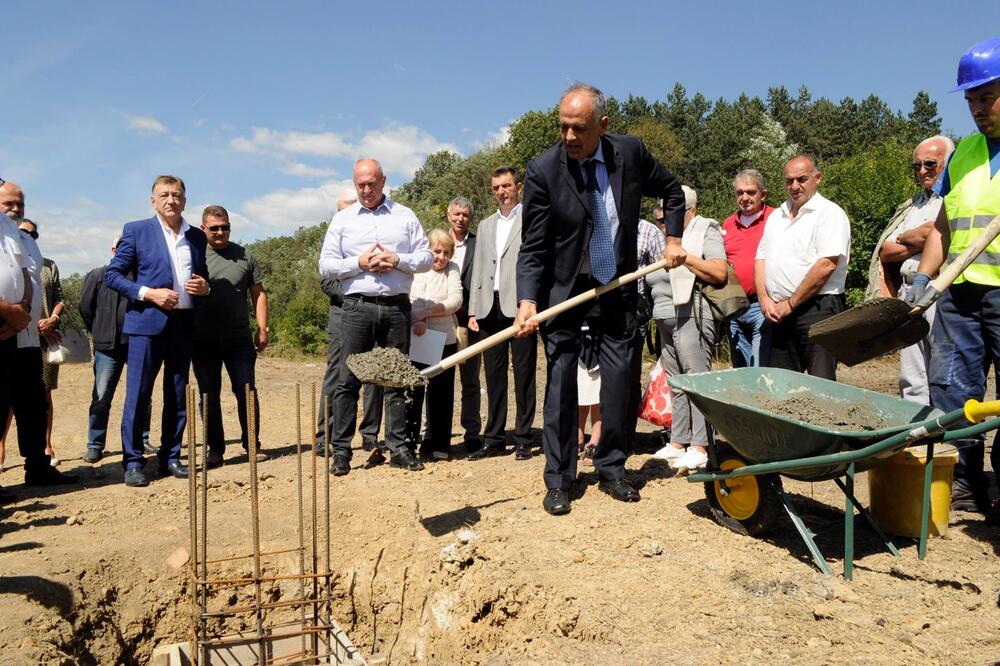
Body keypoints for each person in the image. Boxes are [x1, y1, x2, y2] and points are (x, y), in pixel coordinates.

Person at [515, 83, 687, 515]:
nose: (569, 137)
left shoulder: (629, 153)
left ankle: (612, 467)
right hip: (565, 290)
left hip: (618, 285)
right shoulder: (543, 170)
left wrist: (673, 239)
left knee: (619, 382)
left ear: (602, 126)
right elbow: (533, 246)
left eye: (580, 129)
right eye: (563, 127)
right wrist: (527, 300)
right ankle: (559, 477)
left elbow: (673, 191)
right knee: (560, 382)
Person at [909, 38, 1000, 520]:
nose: (977, 109)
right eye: (970, 100)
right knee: (951, 388)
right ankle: (961, 482)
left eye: (986, 96)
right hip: (959, 293)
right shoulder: (963, 153)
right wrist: (924, 277)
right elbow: (944, 227)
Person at [318, 158, 432, 477]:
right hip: (357, 307)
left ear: (383, 181)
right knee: (348, 380)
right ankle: (341, 451)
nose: (366, 190)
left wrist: (397, 259)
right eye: (360, 184)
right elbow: (325, 266)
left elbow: (425, 258)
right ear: (355, 184)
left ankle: (398, 447)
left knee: (396, 379)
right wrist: (360, 262)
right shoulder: (342, 219)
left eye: (371, 183)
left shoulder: (405, 216)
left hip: (396, 306)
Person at [105, 175, 210, 487]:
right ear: (153, 200)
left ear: (184, 200)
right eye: (164, 195)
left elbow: (201, 276)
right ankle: (133, 461)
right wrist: (149, 293)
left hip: (183, 324)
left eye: (176, 195)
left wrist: (204, 287)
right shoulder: (136, 231)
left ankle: (171, 457)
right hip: (146, 325)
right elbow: (113, 275)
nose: (171, 200)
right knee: (138, 395)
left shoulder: (196, 237)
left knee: (177, 395)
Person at [865, 136, 954, 404]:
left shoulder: (952, 198)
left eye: (930, 164)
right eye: (917, 165)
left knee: (943, 366)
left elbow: (939, 234)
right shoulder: (912, 205)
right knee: (911, 370)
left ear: (948, 162)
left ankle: (945, 433)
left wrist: (916, 236)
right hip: (909, 291)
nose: (922, 170)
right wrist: (919, 238)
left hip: (941, 290)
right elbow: (885, 251)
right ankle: (916, 433)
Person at [647, 186, 728, 471]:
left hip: (692, 314)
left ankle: (701, 445)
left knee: (697, 380)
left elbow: (719, 271)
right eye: (660, 218)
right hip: (665, 318)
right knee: (676, 381)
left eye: (668, 215)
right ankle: (678, 441)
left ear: (689, 211)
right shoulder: (664, 238)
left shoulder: (706, 230)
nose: (663, 222)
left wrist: (685, 257)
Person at [0, 181, 74, 487]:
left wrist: (25, 309)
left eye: (21, 203)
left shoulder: (20, 237)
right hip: (3, 331)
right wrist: (8, 311)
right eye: (9, 203)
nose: (16, 209)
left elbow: (28, 278)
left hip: (26, 336)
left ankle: (38, 466)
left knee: (33, 405)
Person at [755, 155, 850, 380]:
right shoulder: (777, 216)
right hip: (779, 311)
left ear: (817, 178)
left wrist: (791, 303)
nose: (795, 186)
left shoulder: (830, 213)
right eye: (789, 180)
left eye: (802, 179)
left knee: (821, 383)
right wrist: (764, 299)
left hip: (818, 307)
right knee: (784, 385)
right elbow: (761, 258)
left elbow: (826, 265)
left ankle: (824, 418)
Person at [467, 167, 537, 461]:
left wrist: (534, 304)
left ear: (518, 187)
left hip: (518, 306)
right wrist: (473, 310)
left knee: (524, 374)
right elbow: (480, 267)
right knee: (493, 376)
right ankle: (494, 438)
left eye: (506, 186)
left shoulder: (531, 218)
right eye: (496, 187)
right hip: (488, 307)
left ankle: (523, 437)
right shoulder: (485, 225)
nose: (501, 192)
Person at [193, 205, 269, 468]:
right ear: (203, 228)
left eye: (224, 227)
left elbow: (258, 294)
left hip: (239, 339)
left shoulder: (244, 255)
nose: (220, 232)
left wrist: (262, 328)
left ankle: (252, 445)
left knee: (246, 392)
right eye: (214, 228)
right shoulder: (194, 256)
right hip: (202, 339)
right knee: (208, 396)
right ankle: (215, 450)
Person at [315, 195, 388, 462]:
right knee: (338, 374)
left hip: (374, 316)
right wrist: (354, 300)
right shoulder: (334, 240)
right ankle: (325, 435)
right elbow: (327, 280)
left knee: (374, 372)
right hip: (342, 316)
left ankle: (370, 434)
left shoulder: (374, 239)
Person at [79, 233, 152, 463]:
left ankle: (142, 437)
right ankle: (95, 444)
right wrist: (98, 331)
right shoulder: (99, 275)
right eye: (121, 247)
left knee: (142, 395)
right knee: (101, 396)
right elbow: (85, 307)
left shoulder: (143, 278)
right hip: (107, 346)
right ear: (114, 251)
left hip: (137, 344)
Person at [406, 229, 463, 460]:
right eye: (436, 251)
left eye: (446, 253)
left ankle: (439, 444)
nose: (441, 257)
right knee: (413, 392)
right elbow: (406, 298)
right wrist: (415, 321)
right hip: (416, 338)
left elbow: (455, 300)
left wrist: (426, 314)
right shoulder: (415, 269)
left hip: (443, 339)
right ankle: (409, 443)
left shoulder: (453, 270)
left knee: (442, 393)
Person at [722, 169, 775, 368]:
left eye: (750, 192)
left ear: (764, 194)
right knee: (741, 371)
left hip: (762, 307)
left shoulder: (776, 219)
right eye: (739, 192)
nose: (744, 198)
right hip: (734, 308)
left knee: (760, 368)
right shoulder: (728, 223)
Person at [446, 197, 482, 452]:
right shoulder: (435, 242)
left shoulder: (480, 244)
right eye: (457, 214)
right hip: (440, 321)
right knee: (440, 380)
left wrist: (475, 312)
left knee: (470, 380)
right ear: (449, 215)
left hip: (470, 321)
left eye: (466, 215)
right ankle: (435, 433)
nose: (461, 219)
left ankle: (471, 432)